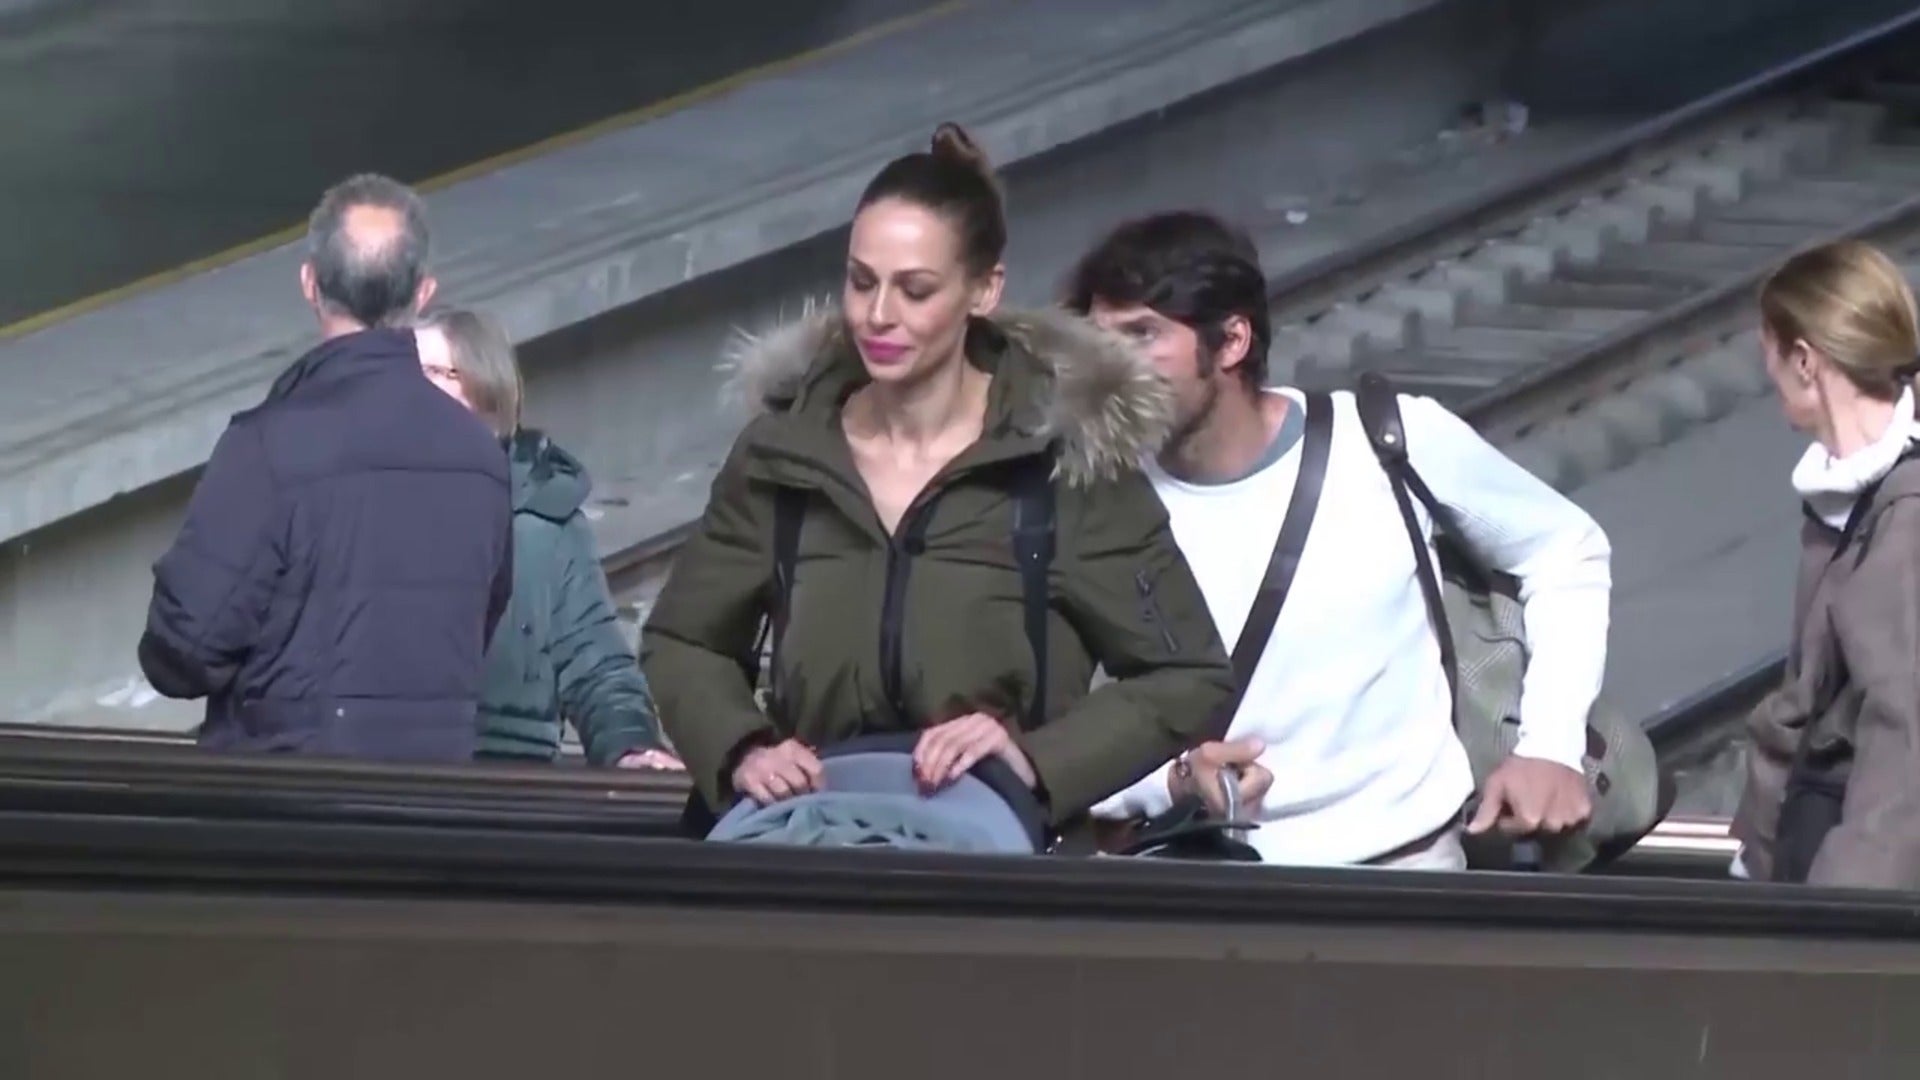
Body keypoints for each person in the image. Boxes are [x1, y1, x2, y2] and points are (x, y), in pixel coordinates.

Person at [640, 124, 1235, 831]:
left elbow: (1186, 675)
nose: (878, 316)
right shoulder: (783, 453)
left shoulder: (1061, 459)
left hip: (990, 858)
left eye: (915, 290)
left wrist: (1035, 762)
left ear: (983, 290)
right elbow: (683, 640)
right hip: (809, 843)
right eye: (862, 282)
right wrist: (742, 747)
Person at [1067, 210, 1613, 869]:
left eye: (1142, 335)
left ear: (1232, 340)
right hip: (1189, 877)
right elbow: (1044, 733)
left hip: (1401, 875)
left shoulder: (1384, 442)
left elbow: (1566, 550)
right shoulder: (1088, 495)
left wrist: (1550, 746)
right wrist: (1172, 782)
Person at [137, 174, 512, 761]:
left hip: (288, 792)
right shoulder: (481, 459)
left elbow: (182, 651)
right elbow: (478, 628)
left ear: (310, 283)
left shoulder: (267, 446)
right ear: (423, 293)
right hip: (434, 795)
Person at [413, 307, 682, 771]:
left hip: (507, 781)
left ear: (486, 389)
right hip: (385, 773)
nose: (411, 389)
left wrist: (632, 746)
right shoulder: (363, 502)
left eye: (436, 372)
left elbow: (597, 665)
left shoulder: (546, 523)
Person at [1731, 240, 1920, 889]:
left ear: (1805, 360)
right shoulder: (1846, 503)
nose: (1768, 373)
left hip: (1852, 904)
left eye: (1770, 351)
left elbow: (1905, 748)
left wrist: (1833, 920)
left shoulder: (1905, 519)